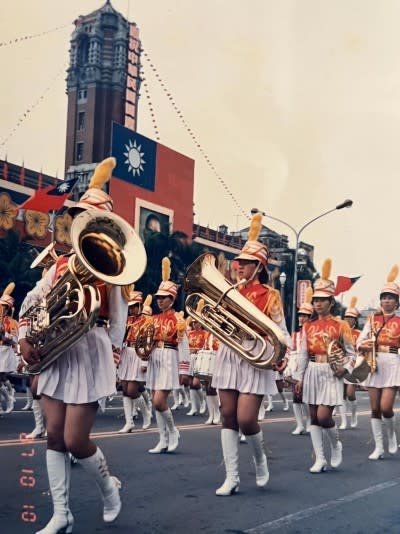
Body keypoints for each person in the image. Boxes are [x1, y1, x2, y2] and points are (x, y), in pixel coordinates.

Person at [19, 158, 130, 533]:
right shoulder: (60, 264)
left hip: (89, 349)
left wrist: (112, 361)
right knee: (54, 436)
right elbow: (34, 299)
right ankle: (61, 514)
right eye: (76, 215)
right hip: (59, 351)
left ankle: (109, 490)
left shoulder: (115, 269)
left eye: (85, 216)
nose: (77, 222)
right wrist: (23, 336)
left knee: (75, 439)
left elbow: (117, 320)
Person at [211, 213, 291, 495]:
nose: (238, 266)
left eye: (245, 263)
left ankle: (260, 460)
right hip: (230, 353)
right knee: (227, 415)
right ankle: (231, 477)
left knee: (247, 420)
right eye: (238, 262)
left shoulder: (270, 295)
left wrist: (283, 355)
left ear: (258, 266)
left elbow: (281, 330)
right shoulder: (228, 291)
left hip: (255, 355)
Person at [294, 259, 356, 473]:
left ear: (331, 302)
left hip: (331, 373)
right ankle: (319, 458)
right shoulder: (308, 326)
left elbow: (352, 354)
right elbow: (302, 354)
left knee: (323, 417)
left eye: (323, 300)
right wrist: (299, 378)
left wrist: (345, 369)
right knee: (312, 417)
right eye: (316, 300)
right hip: (312, 371)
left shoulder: (341, 326)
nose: (318, 304)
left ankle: (335, 444)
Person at [357, 265, 400, 460]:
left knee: (386, 407)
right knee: (374, 409)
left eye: (390, 297)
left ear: (397, 302)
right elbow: (360, 340)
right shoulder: (372, 319)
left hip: (392, 362)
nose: (386, 300)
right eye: (384, 297)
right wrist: (364, 345)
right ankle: (379, 447)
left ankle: (391, 434)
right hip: (373, 363)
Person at [146, 257, 185, 454]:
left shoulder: (178, 318)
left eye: (164, 297)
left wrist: (185, 369)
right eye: (158, 297)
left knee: (159, 401)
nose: (160, 300)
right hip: (155, 358)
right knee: (155, 401)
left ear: (172, 299)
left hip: (169, 358)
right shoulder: (153, 319)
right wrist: (143, 358)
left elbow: (183, 345)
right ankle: (162, 439)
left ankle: (173, 431)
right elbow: (145, 342)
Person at [117, 289, 152, 432]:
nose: (131, 309)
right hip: (126, 353)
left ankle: (146, 414)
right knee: (125, 389)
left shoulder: (146, 321)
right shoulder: (127, 320)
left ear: (140, 305)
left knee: (132, 390)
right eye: (129, 307)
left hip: (138, 354)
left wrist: (144, 361)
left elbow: (148, 342)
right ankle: (129, 422)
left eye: (133, 306)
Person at [285, 287, 313, 435]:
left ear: (310, 317)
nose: (301, 318)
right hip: (296, 367)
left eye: (305, 316)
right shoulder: (295, 334)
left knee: (305, 395)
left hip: (308, 367)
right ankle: (299, 424)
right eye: (300, 315)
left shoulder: (312, 332)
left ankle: (309, 422)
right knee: (295, 396)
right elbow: (290, 351)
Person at [339, 296, 361, 429]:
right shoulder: (340, 332)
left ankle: (353, 414)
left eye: (351, 318)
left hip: (354, 365)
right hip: (342, 364)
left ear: (355, 320)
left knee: (350, 394)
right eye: (346, 317)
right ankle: (343, 421)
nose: (348, 320)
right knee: (341, 394)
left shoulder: (359, 333)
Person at [0, 282, 18, 414]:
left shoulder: (12, 322)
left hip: (6, 353)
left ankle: (9, 397)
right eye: (1, 306)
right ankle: (6, 400)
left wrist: (3, 335)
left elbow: (14, 340)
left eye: (4, 307)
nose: (2, 308)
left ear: (9, 308)